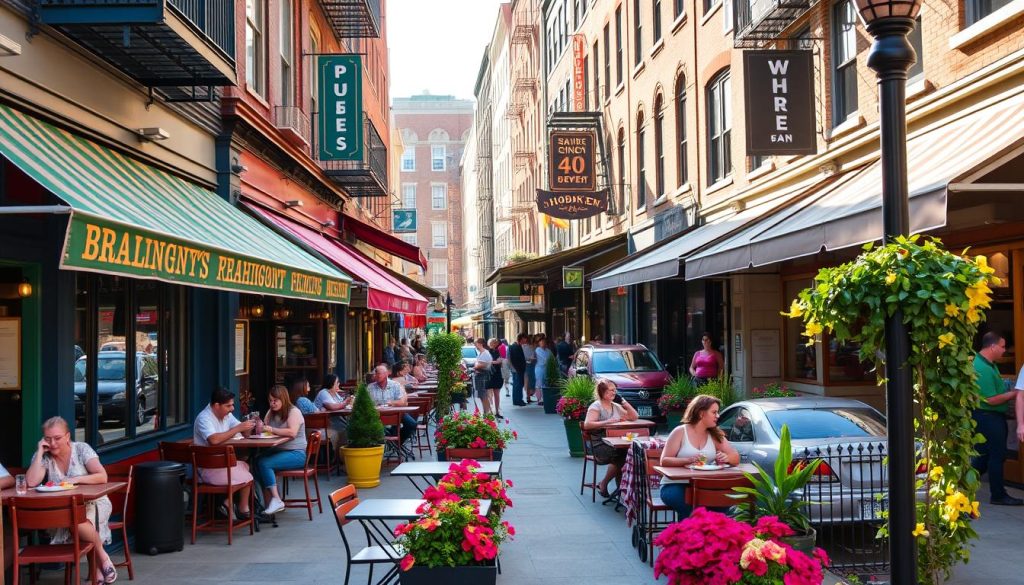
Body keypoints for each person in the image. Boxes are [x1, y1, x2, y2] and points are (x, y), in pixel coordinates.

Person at [25, 416, 119, 584]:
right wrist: (39, 452)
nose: (52, 443)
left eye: (57, 438)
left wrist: (75, 479)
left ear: (68, 436)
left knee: (75, 521)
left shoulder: (82, 449)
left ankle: (100, 564)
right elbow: (31, 482)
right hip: (63, 508)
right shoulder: (44, 457)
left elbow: (101, 476)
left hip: (94, 503)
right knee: (72, 519)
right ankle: (102, 560)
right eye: (48, 439)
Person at [659, 395, 740, 517]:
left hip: (705, 486)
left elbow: (735, 457)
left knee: (722, 502)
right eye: (714, 412)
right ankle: (688, 534)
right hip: (675, 484)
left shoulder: (714, 434)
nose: (718, 416)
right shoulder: (680, 431)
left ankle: (713, 533)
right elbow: (664, 461)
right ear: (701, 413)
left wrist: (726, 458)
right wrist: (688, 460)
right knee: (689, 506)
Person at [972, 332, 1022, 505]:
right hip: (988, 416)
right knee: (996, 455)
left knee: (984, 457)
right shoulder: (982, 367)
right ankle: (998, 494)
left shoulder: (988, 364)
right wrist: (1014, 394)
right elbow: (990, 399)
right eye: (1002, 346)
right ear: (992, 346)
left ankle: (962, 487)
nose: (1004, 350)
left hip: (988, 416)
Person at [193, 387, 255, 520]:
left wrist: (249, 426)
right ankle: (239, 507)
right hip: (207, 469)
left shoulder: (226, 415)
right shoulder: (204, 418)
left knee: (245, 465)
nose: (232, 408)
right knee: (248, 475)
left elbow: (244, 432)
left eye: (232, 405)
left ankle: (232, 503)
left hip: (222, 464)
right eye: (229, 406)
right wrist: (238, 428)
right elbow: (214, 440)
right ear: (216, 406)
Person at [254, 385, 307, 515]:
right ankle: (267, 505)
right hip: (279, 451)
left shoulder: (294, 411)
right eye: (270, 400)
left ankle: (276, 500)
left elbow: (292, 432)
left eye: (275, 400)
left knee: (264, 463)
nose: (272, 404)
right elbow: (264, 428)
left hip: (296, 453)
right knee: (255, 461)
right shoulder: (271, 412)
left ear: (283, 399)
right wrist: (258, 426)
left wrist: (271, 430)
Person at [583, 379, 639, 497]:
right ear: (602, 392)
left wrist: (623, 401)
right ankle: (611, 486)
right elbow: (587, 424)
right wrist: (607, 422)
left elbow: (634, 416)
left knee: (626, 453)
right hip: (598, 445)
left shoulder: (616, 406)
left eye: (615, 390)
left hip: (614, 442)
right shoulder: (596, 406)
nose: (614, 393)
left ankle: (619, 490)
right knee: (623, 456)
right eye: (611, 390)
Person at [367, 365, 417, 446]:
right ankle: (390, 441)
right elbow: (366, 403)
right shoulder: (370, 387)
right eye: (375, 373)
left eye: (379, 373)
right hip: (377, 415)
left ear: (386, 374)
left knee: (412, 424)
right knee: (377, 428)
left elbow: (402, 402)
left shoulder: (395, 385)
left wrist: (392, 403)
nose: (376, 375)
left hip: (396, 413)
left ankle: (397, 442)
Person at [313, 374, 352, 447]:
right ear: (331, 383)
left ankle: (343, 452)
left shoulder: (334, 393)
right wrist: (345, 402)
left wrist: (347, 402)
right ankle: (339, 454)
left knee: (349, 427)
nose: (339, 384)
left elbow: (341, 404)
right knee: (345, 430)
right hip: (324, 425)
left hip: (334, 421)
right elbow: (332, 407)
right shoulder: (323, 392)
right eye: (337, 382)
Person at [472, 337, 495, 414]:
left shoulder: (485, 353)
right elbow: (478, 364)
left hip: (483, 375)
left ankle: (487, 413)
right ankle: (486, 412)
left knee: (483, 395)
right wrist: (476, 365)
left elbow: (481, 365)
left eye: (476, 344)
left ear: (480, 344)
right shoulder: (482, 353)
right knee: (482, 395)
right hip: (480, 375)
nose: (475, 345)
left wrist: (475, 366)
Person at [487, 338, 505, 419]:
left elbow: (500, 361)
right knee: (488, 394)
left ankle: (497, 411)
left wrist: (493, 362)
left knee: (497, 394)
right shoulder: (487, 352)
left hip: (497, 374)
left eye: (495, 343)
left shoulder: (499, 352)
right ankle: (490, 411)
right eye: (492, 343)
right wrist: (494, 362)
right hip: (489, 374)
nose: (494, 344)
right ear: (489, 344)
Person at [509, 333, 528, 406]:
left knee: (517, 385)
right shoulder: (515, 347)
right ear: (521, 338)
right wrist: (517, 369)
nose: (526, 340)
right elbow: (516, 359)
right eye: (525, 338)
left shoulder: (516, 346)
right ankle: (518, 400)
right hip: (518, 369)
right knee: (519, 385)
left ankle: (517, 400)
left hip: (518, 369)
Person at [534, 336, 552, 405]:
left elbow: (551, 358)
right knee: (539, 384)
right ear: (539, 343)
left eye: (544, 341)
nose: (543, 343)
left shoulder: (548, 350)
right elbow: (545, 359)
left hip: (546, 369)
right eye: (541, 341)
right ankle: (539, 399)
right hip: (539, 368)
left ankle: (544, 398)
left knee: (545, 384)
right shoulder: (537, 350)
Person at [523, 334, 537, 403]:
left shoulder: (534, 347)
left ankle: (530, 395)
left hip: (533, 365)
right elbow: (523, 357)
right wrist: (529, 358)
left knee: (532, 380)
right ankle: (528, 396)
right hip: (527, 365)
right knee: (527, 381)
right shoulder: (525, 347)